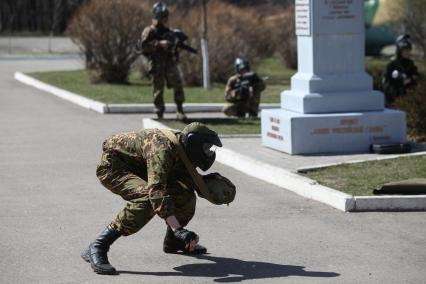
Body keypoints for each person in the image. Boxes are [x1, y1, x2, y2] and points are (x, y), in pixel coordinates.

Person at [81, 122, 235, 275]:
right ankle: (98, 245)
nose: (209, 152)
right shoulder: (163, 149)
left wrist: (205, 186)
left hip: (142, 168)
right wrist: (178, 228)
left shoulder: (182, 147)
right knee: (147, 200)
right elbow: (156, 192)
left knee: (185, 195)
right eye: (206, 148)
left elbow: (181, 176)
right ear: (194, 143)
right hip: (114, 168)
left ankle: (173, 242)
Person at [140, 1, 188, 120]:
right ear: (157, 16)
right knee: (158, 90)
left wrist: (177, 48)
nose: (165, 18)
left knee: (178, 85)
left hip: (169, 63)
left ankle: (180, 110)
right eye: (163, 16)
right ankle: (159, 113)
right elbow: (143, 47)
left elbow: (174, 48)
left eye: (166, 16)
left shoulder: (170, 32)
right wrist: (159, 44)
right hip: (157, 64)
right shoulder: (149, 31)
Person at [383, 34, 420, 106]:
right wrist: (401, 82)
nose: (407, 52)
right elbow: (389, 83)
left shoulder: (410, 64)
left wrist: (410, 80)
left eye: (409, 50)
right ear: (399, 50)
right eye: (405, 50)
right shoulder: (392, 64)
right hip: (394, 101)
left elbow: (416, 77)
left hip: (409, 101)